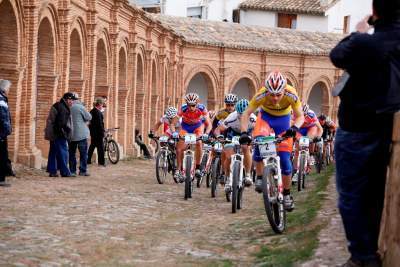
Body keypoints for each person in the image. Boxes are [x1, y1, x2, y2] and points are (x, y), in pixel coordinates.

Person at [330, 0, 400, 266]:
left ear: (375, 10)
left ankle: (362, 256)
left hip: (357, 129)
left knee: (351, 195)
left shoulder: (367, 43)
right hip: (387, 126)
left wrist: (359, 31)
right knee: (375, 193)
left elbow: (337, 55)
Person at [239, 71, 304, 211]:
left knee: (285, 159)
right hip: (265, 118)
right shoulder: (261, 94)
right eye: (271, 94)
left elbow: (300, 116)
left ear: (284, 91)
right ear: (266, 91)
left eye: (278, 95)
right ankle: (260, 177)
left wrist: (294, 128)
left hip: (284, 120)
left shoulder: (291, 94)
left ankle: (286, 195)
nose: (275, 98)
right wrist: (244, 133)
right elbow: (246, 113)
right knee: (259, 142)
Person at [214, 99, 256, 192]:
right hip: (233, 134)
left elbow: (256, 131)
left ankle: (248, 175)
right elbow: (217, 130)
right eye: (239, 115)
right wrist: (219, 137)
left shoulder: (253, 118)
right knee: (229, 156)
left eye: (244, 114)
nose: (241, 117)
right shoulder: (231, 117)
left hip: (246, 133)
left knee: (246, 148)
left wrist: (254, 138)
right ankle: (228, 179)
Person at [175, 93, 212, 182]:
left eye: (193, 105)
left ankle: (198, 168)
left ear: (197, 103)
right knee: (179, 148)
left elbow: (208, 124)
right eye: (189, 105)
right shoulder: (183, 108)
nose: (191, 107)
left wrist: (206, 133)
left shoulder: (202, 108)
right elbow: (174, 121)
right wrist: (174, 132)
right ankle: (178, 169)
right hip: (186, 127)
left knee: (199, 142)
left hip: (197, 127)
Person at [45, 92, 76, 177]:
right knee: (63, 152)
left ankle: (52, 171)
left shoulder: (59, 105)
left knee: (53, 152)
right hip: (58, 134)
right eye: (71, 100)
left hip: (53, 132)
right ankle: (65, 172)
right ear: (67, 99)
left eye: (73, 100)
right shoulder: (63, 108)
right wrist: (66, 132)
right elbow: (61, 123)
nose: (72, 102)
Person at [292, 104, 323, 180]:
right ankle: (296, 171)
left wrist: (318, 137)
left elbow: (320, 128)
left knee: (309, 140)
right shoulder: (294, 114)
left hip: (310, 128)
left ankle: (310, 157)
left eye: (305, 115)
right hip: (299, 129)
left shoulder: (312, 114)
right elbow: (289, 126)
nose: (303, 117)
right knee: (297, 150)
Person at [69, 93, 92, 176]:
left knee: (72, 153)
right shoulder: (80, 107)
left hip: (71, 134)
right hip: (81, 134)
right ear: (77, 99)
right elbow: (89, 117)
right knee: (83, 153)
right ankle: (82, 171)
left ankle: (72, 171)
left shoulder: (68, 107)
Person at [0, 79, 12, 186]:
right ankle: (1, 179)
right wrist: (7, 131)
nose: (9, 90)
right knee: (2, 156)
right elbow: (3, 118)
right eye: (8, 88)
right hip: (1, 134)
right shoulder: (1, 100)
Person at [87, 97, 106, 166]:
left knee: (92, 146)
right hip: (98, 133)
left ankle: (88, 160)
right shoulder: (98, 112)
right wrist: (102, 132)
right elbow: (99, 124)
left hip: (93, 132)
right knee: (100, 148)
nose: (102, 106)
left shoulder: (92, 111)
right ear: (99, 104)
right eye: (102, 104)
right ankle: (101, 162)